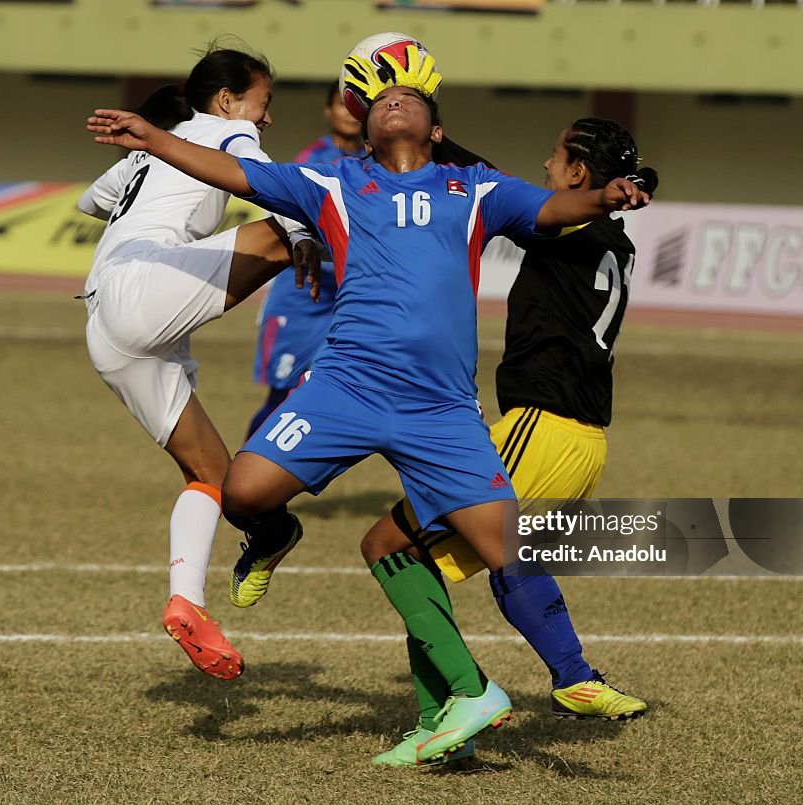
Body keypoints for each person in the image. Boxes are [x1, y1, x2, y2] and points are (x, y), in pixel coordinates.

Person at [87, 80, 649, 761]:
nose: (393, 99)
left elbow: (555, 206)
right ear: (368, 128)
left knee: (505, 550)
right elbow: (240, 173)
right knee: (241, 491)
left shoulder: (472, 188)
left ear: (436, 129)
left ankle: (512, 690)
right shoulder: (332, 180)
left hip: (441, 409)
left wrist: (604, 196)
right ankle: (284, 541)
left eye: (410, 97)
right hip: (347, 387)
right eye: (382, 98)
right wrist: (156, 139)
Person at [360, 117, 657, 764]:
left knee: (397, 549)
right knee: (504, 561)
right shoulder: (613, 236)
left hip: (539, 427)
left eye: (553, 159)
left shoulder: (570, 220)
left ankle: (455, 713)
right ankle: (567, 681)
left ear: (579, 174)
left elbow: (490, 179)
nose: (543, 170)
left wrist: (434, 144)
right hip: (584, 445)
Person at [79, 46, 317, 682]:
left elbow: (91, 202)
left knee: (212, 474)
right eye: (263, 104)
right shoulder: (223, 128)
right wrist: (298, 239)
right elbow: (269, 178)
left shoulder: (155, 146)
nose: (264, 119)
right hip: (140, 292)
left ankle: (189, 603)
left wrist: (150, 173)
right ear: (227, 100)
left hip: (106, 321)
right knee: (292, 224)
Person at [247, 81, 364, 437]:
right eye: (340, 104)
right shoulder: (312, 159)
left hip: (345, 303)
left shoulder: (373, 165)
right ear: (329, 111)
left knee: (334, 398)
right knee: (282, 397)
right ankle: (243, 481)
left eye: (354, 105)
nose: (347, 112)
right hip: (301, 298)